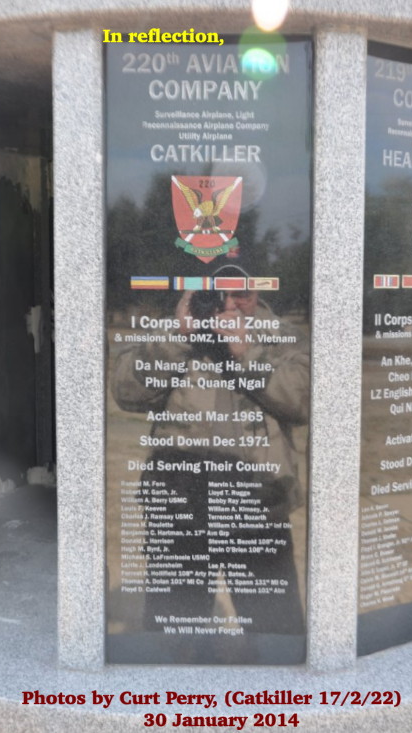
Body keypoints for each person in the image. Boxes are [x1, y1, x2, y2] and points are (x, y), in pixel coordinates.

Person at [112, 266, 309, 638]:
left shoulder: (282, 337)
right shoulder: (176, 332)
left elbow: (305, 401)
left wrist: (245, 352)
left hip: (259, 506)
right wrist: (178, 338)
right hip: (179, 505)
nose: (229, 305)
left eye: (241, 295)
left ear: (258, 293)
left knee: (276, 633)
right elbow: (125, 392)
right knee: (173, 634)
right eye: (217, 295)